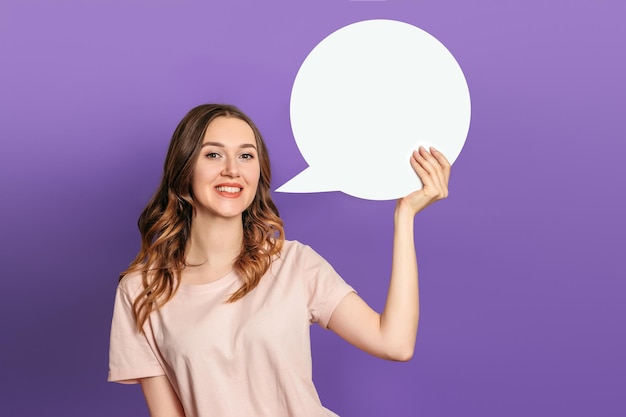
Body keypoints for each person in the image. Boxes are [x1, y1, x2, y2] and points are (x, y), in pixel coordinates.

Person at [108, 103, 451, 417]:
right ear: (184, 168)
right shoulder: (142, 290)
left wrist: (405, 216)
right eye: (213, 155)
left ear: (259, 173)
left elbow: (394, 343)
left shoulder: (295, 264)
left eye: (246, 156)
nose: (232, 170)